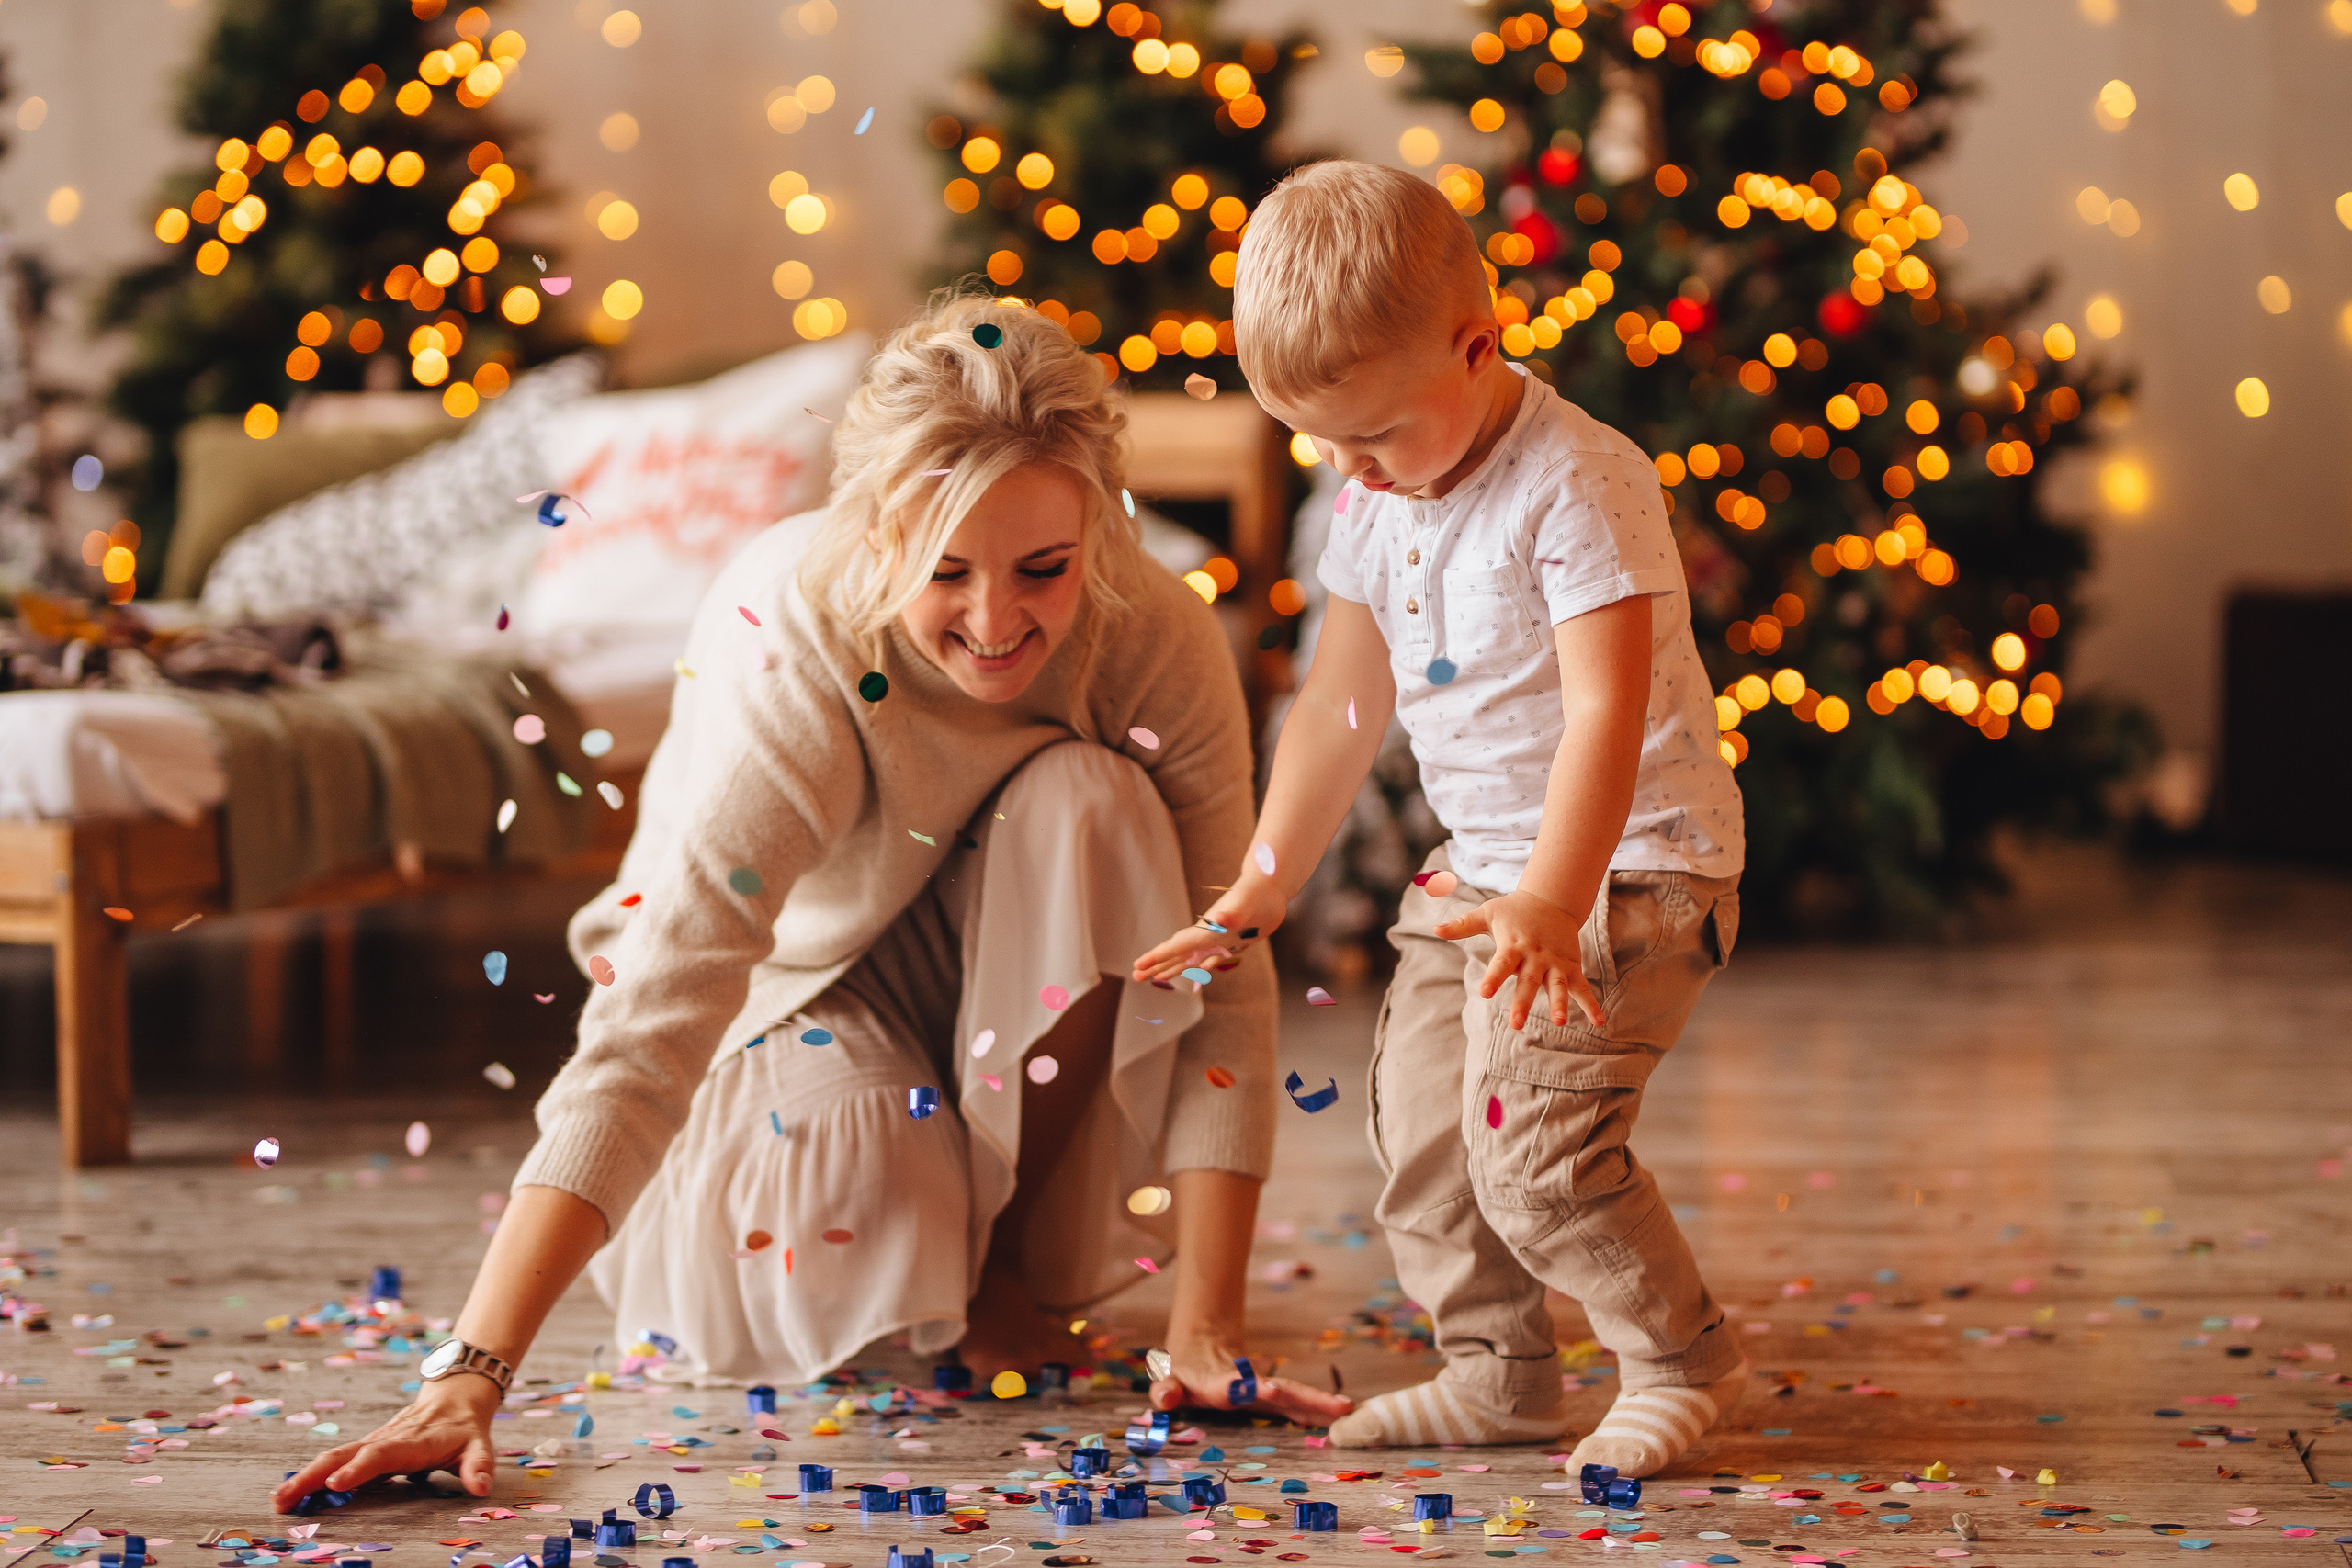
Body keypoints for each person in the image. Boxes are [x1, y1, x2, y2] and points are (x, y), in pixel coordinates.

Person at [276, 293, 1348, 1511]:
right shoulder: (799, 636)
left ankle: (996, 1264)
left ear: (1099, 528)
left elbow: (1227, 966)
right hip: (785, 1003)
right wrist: (471, 1373)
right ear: (875, 535)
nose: (998, 626)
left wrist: (1206, 1328)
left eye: (1042, 570)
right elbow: (662, 1010)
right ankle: (920, 1247)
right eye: (946, 572)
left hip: (1020, 1026)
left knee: (1095, 800)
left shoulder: (1155, 633)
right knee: (854, 1197)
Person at [1136, 162, 1747, 1476]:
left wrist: (1551, 899)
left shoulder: (1579, 483)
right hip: (1479, 878)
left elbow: (1605, 716)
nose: (1353, 474)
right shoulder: (1372, 498)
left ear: (1480, 348)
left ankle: (1677, 1357)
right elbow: (1338, 711)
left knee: (1535, 1157)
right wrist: (1261, 883)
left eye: (1375, 438)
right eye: (1323, 449)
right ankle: (1501, 1371)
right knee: (1421, 1139)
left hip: (1629, 875)